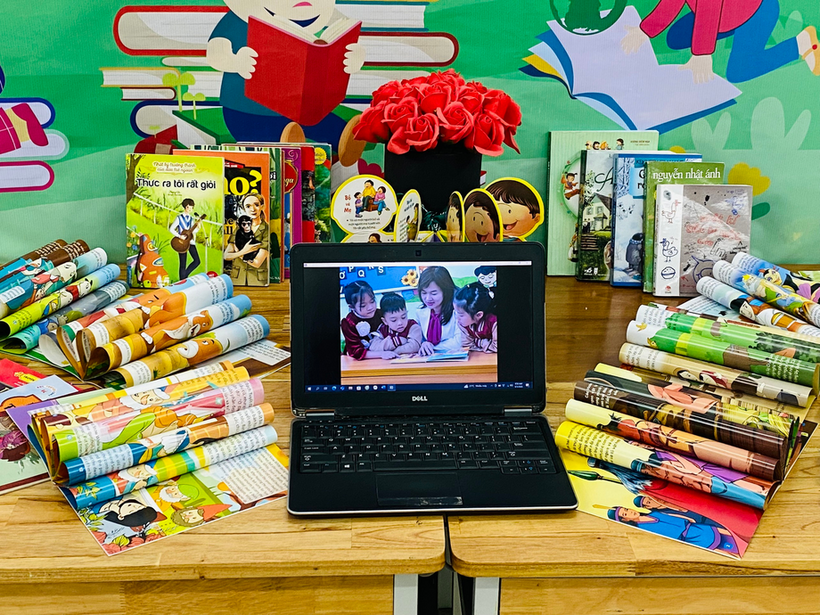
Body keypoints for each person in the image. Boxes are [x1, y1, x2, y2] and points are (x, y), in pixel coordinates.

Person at [340, 280, 393, 360]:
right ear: (352, 307)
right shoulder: (349, 323)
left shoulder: (380, 314)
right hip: (359, 362)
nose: (370, 307)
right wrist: (381, 354)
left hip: (384, 356)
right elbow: (355, 352)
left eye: (372, 301)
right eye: (363, 305)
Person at [415, 266, 462, 356]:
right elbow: (418, 340)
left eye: (434, 293)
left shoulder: (458, 311)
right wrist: (423, 344)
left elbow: (458, 342)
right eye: (424, 293)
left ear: (446, 291)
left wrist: (432, 347)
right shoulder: (420, 312)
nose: (428, 298)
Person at [224, 192, 270, 285]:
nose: (252, 209)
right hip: (237, 279)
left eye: (256, 205)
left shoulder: (266, 229)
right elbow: (226, 256)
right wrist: (244, 251)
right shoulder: (239, 228)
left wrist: (237, 253)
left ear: (262, 206)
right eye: (248, 206)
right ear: (244, 209)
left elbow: (257, 263)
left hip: (257, 281)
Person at [371, 292, 422, 356]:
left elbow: (415, 346)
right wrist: (396, 342)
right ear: (385, 321)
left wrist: (396, 351)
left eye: (403, 317)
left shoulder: (413, 326)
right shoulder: (382, 329)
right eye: (394, 320)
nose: (400, 323)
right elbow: (373, 347)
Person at [454, 282, 497, 353]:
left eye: (461, 315)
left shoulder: (493, 322)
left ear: (479, 315)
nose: (457, 318)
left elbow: (496, 347)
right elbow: (467, 346)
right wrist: (487, 343)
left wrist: (478, 342)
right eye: (455, 313)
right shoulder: (464, 323)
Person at [169, 198, 201, 280]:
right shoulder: (179, 218)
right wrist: (179, 236)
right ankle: (182, 279)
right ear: (185, 207)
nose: (190, 209)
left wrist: (198, 227)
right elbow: (171, 229)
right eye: (189, 207)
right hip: (181, 242)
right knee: (182, 263)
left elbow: (193, 231)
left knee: (197, 261)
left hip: (190, 242)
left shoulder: (191, 219)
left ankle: (185, 276)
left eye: (191, 208)